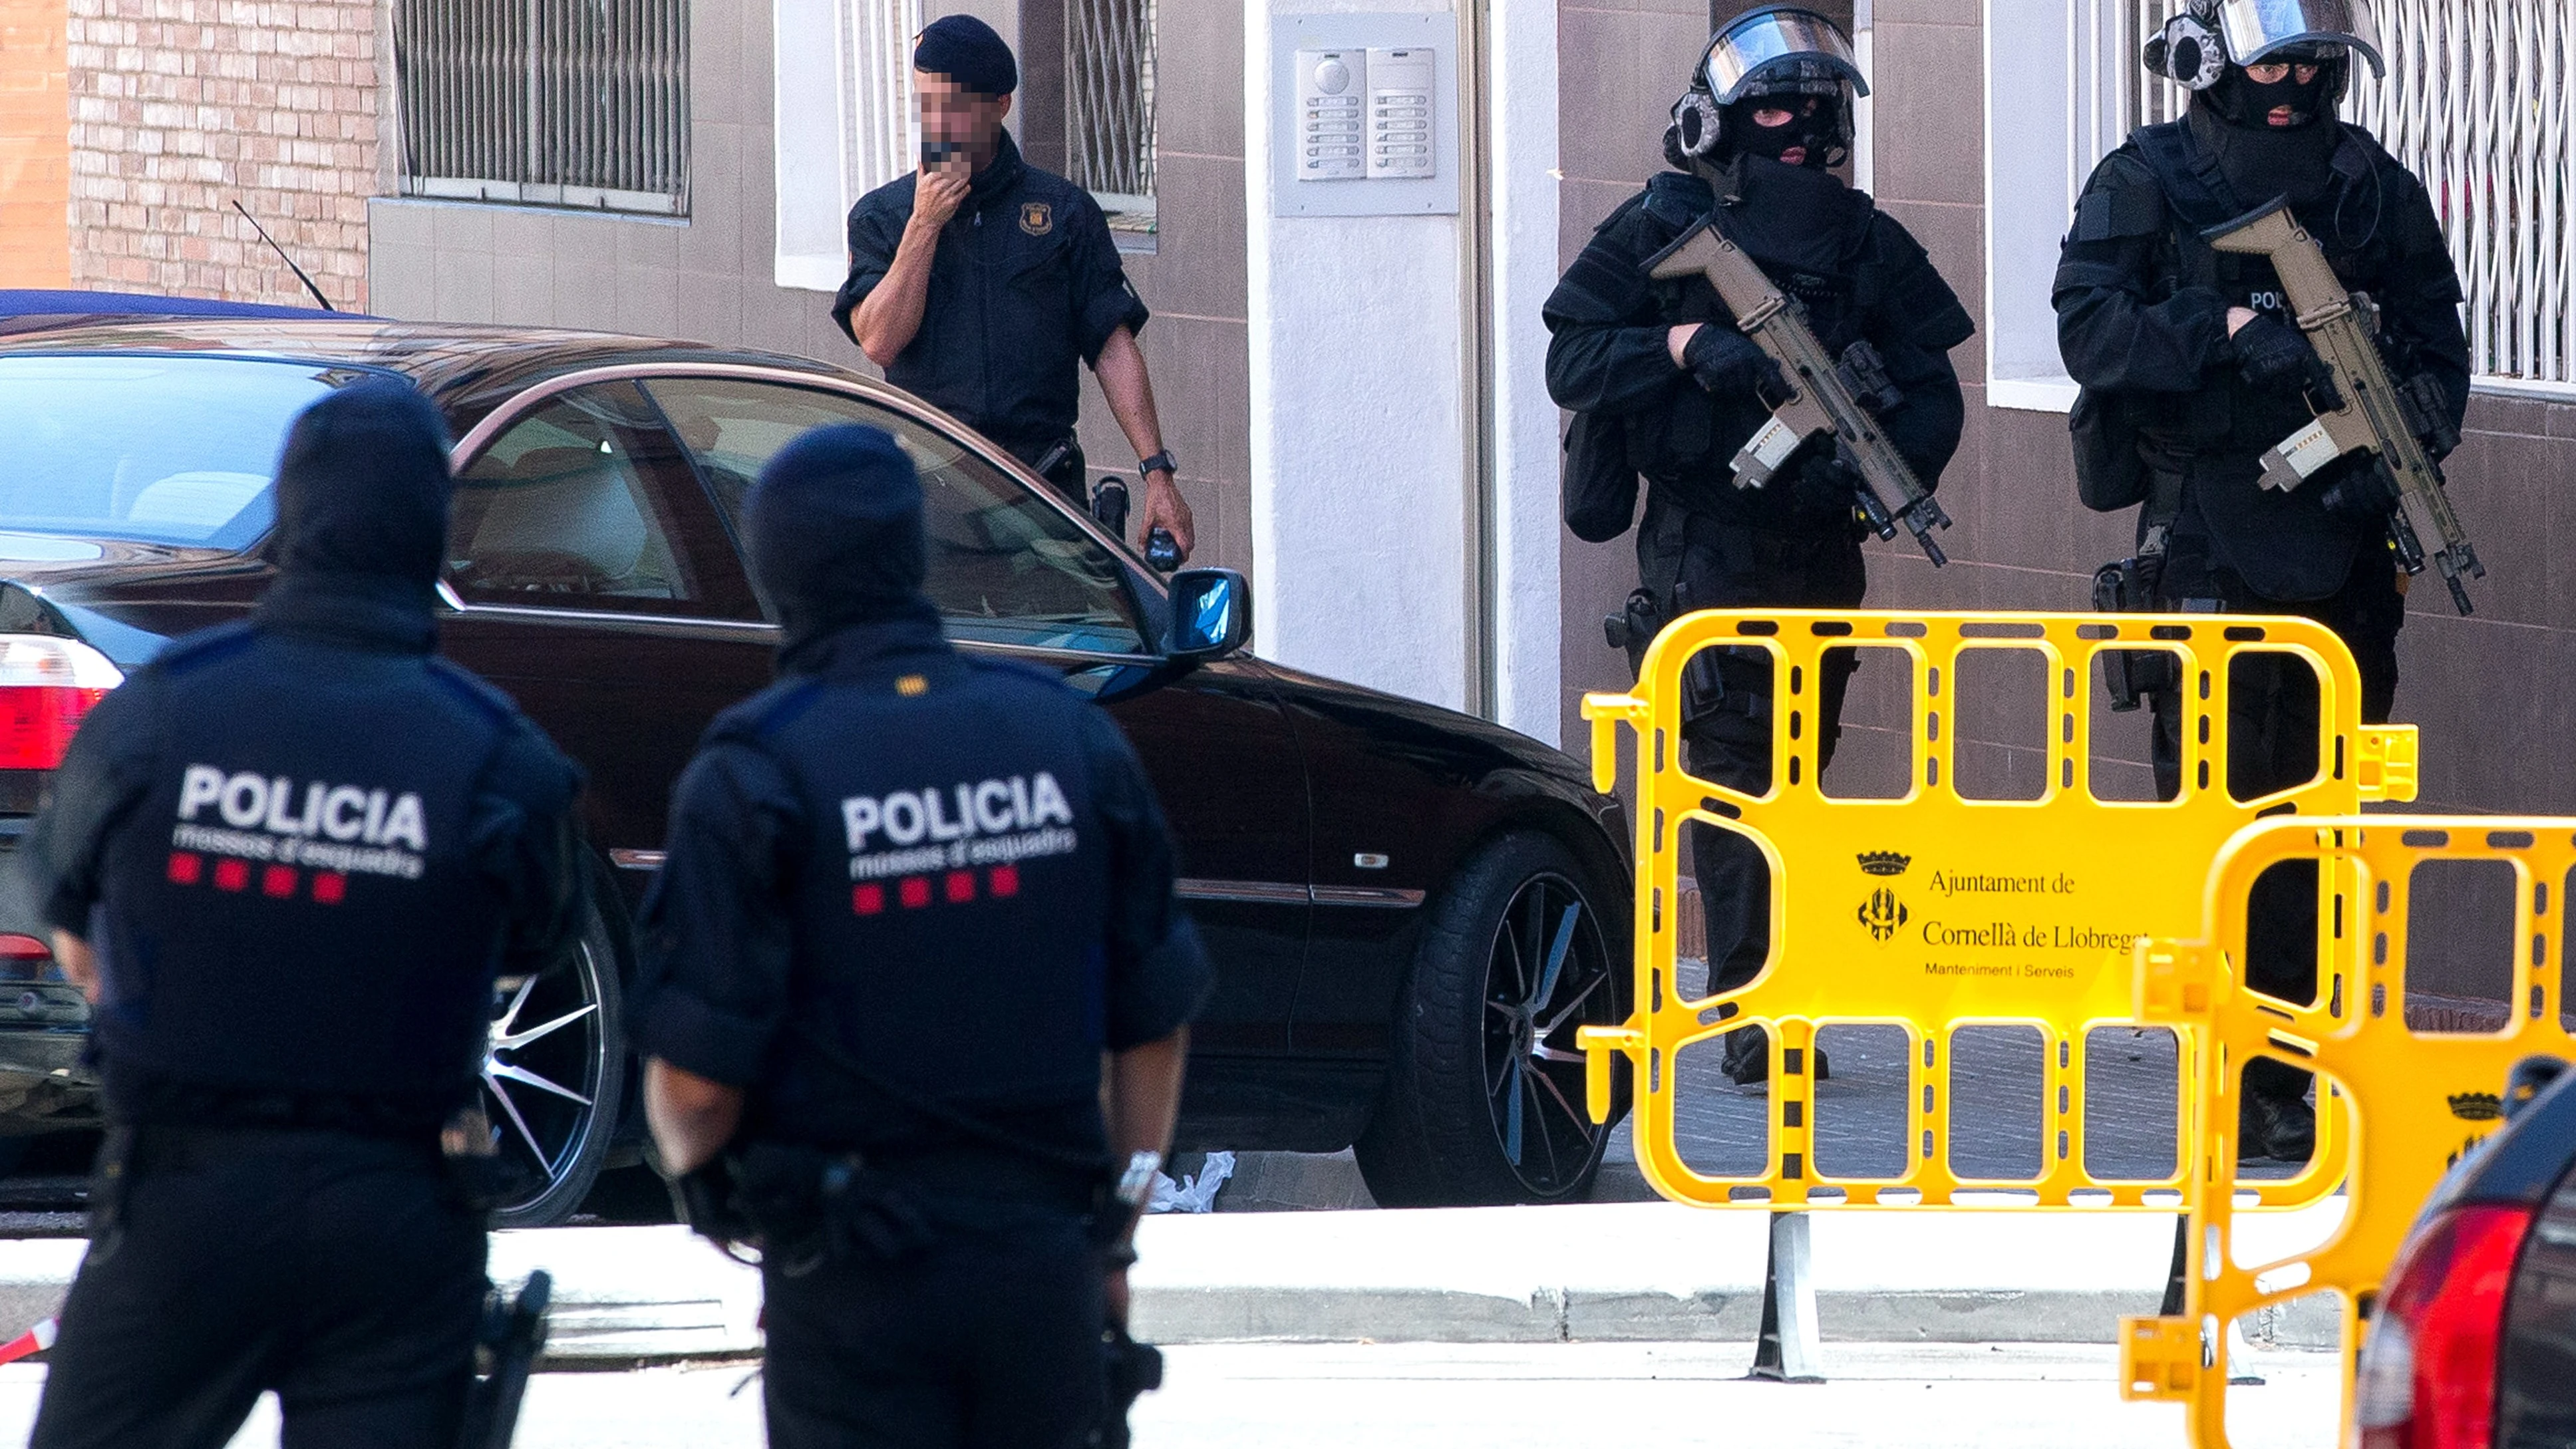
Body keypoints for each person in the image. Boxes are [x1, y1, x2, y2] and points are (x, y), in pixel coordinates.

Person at [19, 381, 587, 1448]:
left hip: (184, 1198)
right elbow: (534, 942)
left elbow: (67, 918)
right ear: (434, 528)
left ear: (292, 511)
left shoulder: (162, 707)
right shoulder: (496, 751)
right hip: (397, 1209)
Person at [629, 423, 1211, 1449]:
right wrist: (1113, 1236)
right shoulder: (1066, 733)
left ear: (777, 572)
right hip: (1045, 1271)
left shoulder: (756, 770)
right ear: (915, 552)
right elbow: (1154, 1023)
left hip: (854, 1282)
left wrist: (719, 1193)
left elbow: (694, 1091)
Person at [2054, 0, 2468, 1162]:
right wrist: (2226, 325)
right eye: (2267, 60)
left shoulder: (2369, 184)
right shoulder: (2145, 176)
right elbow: (2090, 329)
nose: (2287, 81)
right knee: (2222, 816)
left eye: (2307, 63)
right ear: (2211, 61)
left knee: (2321, 814)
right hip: (2207, 539)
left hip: (2340, 547)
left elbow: (2437, 349)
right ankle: (2232, 1064)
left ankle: (2298, 1057)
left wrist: (2394, 446)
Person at [1543, 4, 1972, 1086]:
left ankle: (1776, 983)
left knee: (1799, 776)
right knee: (1735, 777)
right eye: (1773, 105)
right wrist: (1683, 345)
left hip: (1816, 545)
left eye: (1814, 108)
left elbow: (1931, 387)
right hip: (1707, 544)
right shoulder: (1662, 226)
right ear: (1719, 118)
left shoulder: (1862, 239)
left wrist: (1879, 472)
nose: (1797, 125)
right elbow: (1574, 356)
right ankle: (1753, 1008)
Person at [832, 14, 1194, 562]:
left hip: (1040, 490)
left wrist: (1157, 471)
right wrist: (924, 226)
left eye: (952, 106)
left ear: (999, 105)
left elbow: (1112, 347)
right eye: (925, 104)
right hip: (931, 492)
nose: (936, 123)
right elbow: (880, 341)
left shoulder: (1065, 212)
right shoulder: (883, 216)